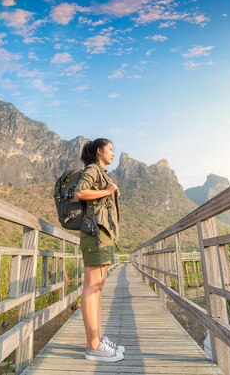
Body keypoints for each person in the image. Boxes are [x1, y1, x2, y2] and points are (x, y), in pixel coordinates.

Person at [74, 138, 124, 362]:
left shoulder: (102, 173)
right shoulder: (93, 169)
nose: (113, 153)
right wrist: (107, 191)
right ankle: (93, 345)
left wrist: (110, 190)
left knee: (98, 286)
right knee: (92, 286)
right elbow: (80, 193)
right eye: (110, 149)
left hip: (102, 235)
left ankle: (99, 338)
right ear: (98, 151)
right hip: (94, 234)